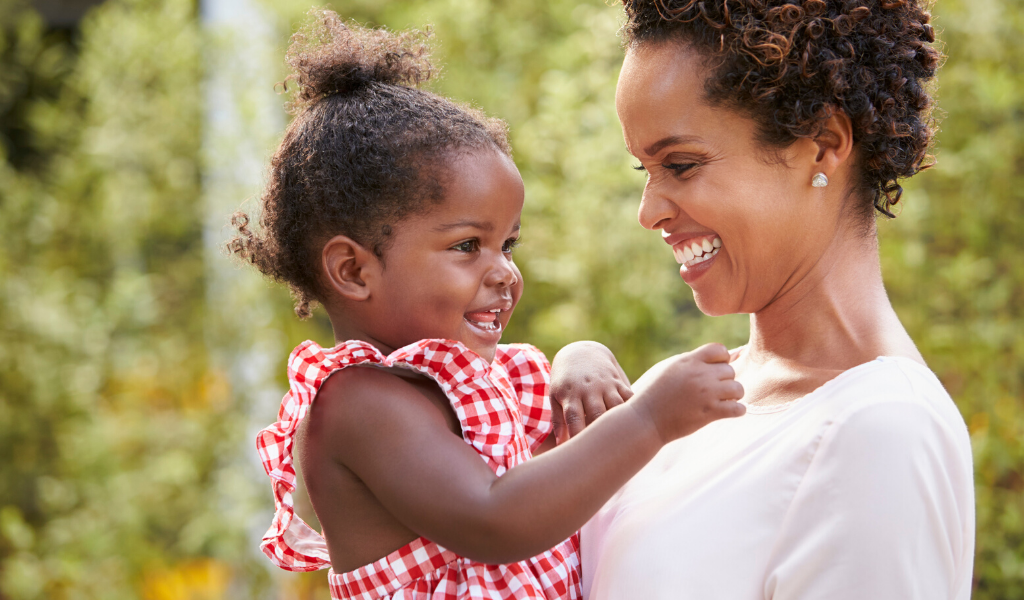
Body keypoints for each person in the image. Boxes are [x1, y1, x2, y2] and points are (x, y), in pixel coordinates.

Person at [228, 11, 746, 600]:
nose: (503, 272)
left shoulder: (474, 381)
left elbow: (552, 466)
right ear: (353, 270)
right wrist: (649, 419)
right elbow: (496, 518)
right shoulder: (359, 404)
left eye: (508, 245)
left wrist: (581, 360)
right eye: (467, 246)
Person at [560, 1, 976, 598]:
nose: (648, 212)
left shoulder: (882, 431)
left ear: (824, 145)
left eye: (680, 164)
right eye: (644, 170)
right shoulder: (678, 396)